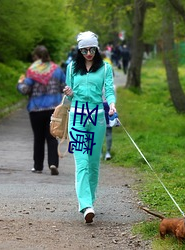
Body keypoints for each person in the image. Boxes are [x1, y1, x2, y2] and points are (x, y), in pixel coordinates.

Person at [63, 31, 116, 223]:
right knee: (82, 162)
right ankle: (85, 205)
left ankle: (90, 201)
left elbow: (109, 90)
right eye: (84, 50)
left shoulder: (105, 68)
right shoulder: (71, 68)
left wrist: (111, 104)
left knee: (93, 164)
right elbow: (69, 96)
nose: (88, 53)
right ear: (79, 50)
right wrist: (68, 92)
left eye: (92, 49)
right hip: (76, 118)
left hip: (98, 119)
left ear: (97, 48)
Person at [17, 45, 66, 175]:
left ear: (36, 57)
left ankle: (38, 166)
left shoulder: (32, 71)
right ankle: (53, 163)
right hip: (53, 109)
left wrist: (20, 83)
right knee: (52, 137)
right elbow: (64, 87)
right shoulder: (57, 70)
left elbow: (25, 90)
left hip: (36, 109)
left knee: (38, 138)